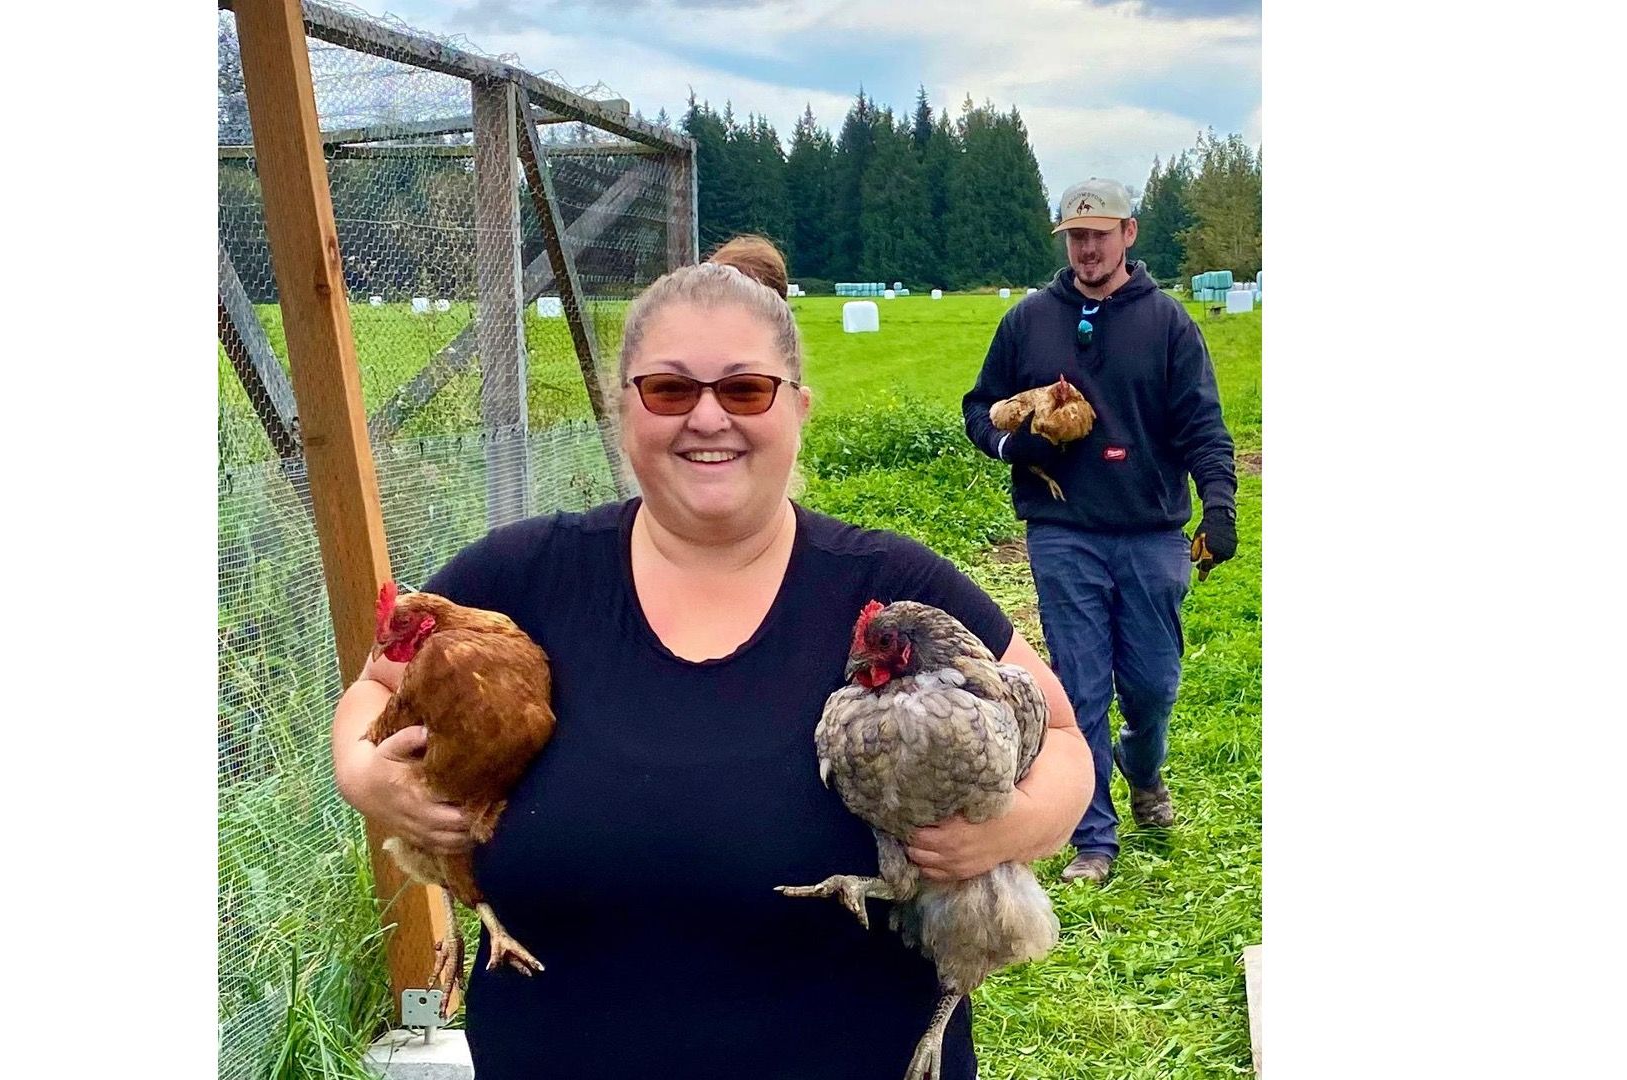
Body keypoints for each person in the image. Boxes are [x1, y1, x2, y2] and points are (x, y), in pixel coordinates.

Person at [331, 236, 1094, 1080]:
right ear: (624, 410)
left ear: (798, 406)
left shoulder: (889, 590)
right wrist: (365, 777)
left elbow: (1060, 732)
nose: (707, 416)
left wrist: (1020, 825)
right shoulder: (523, 576)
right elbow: (373, 686)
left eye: (744, 388)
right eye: (668, 389)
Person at [960, 178, 1238, 886]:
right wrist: (1012, 449)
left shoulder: (1169, 324)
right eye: (1076, 237)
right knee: (1080, 687)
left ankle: (1142, 769)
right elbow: (978, 410)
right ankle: (1094, 838)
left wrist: (1220, 506)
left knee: (1151, 687)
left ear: (1129, 235)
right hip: (1064, 530)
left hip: (1151, 532)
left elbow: (1202, 426)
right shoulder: (1029, 321)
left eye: (1100, 235)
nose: (1087, 248)